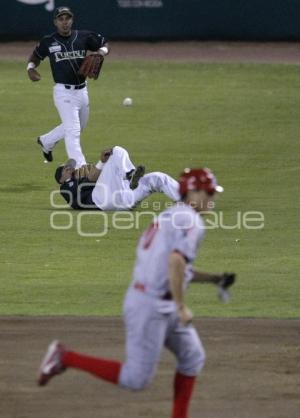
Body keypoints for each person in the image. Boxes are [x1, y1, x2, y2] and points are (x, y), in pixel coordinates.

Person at [37, 167, 236, 418]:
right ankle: (65, 358)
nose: (212, 198)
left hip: (150, 298)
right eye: (207, 192)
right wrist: (181, 306)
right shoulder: (191, 221)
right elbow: (176, 262)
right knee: (135, 379)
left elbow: (175, 266)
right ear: (191, 192)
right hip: (150, 306)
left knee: (193, 357)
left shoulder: (170, 215)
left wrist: (214, 279)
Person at [27, 6, 110, 167]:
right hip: (63, 93)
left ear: (72, 20)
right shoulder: (48, 41)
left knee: (78, 126)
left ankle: (46, 141)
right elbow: (35, 57)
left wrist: (101, 52)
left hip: (82, 91)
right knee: (73, 132)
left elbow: (105, 43)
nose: (64, 22)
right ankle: (81, 169)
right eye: (61, 19)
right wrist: (30, 68)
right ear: (55, 22)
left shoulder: (84, 36)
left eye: (67, 18)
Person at [54, 145, 180, 210]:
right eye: (66, 169)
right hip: (101, 201)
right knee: (117, 151)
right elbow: (88, 182)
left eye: (70, 167)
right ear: (61, 179)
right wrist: (101, 163)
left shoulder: (81, 178)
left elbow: (93, 179)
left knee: (158, 178)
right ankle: (130, 175)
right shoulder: (65, 188)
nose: (70, 168)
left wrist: (102, 164)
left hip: (124, 198)